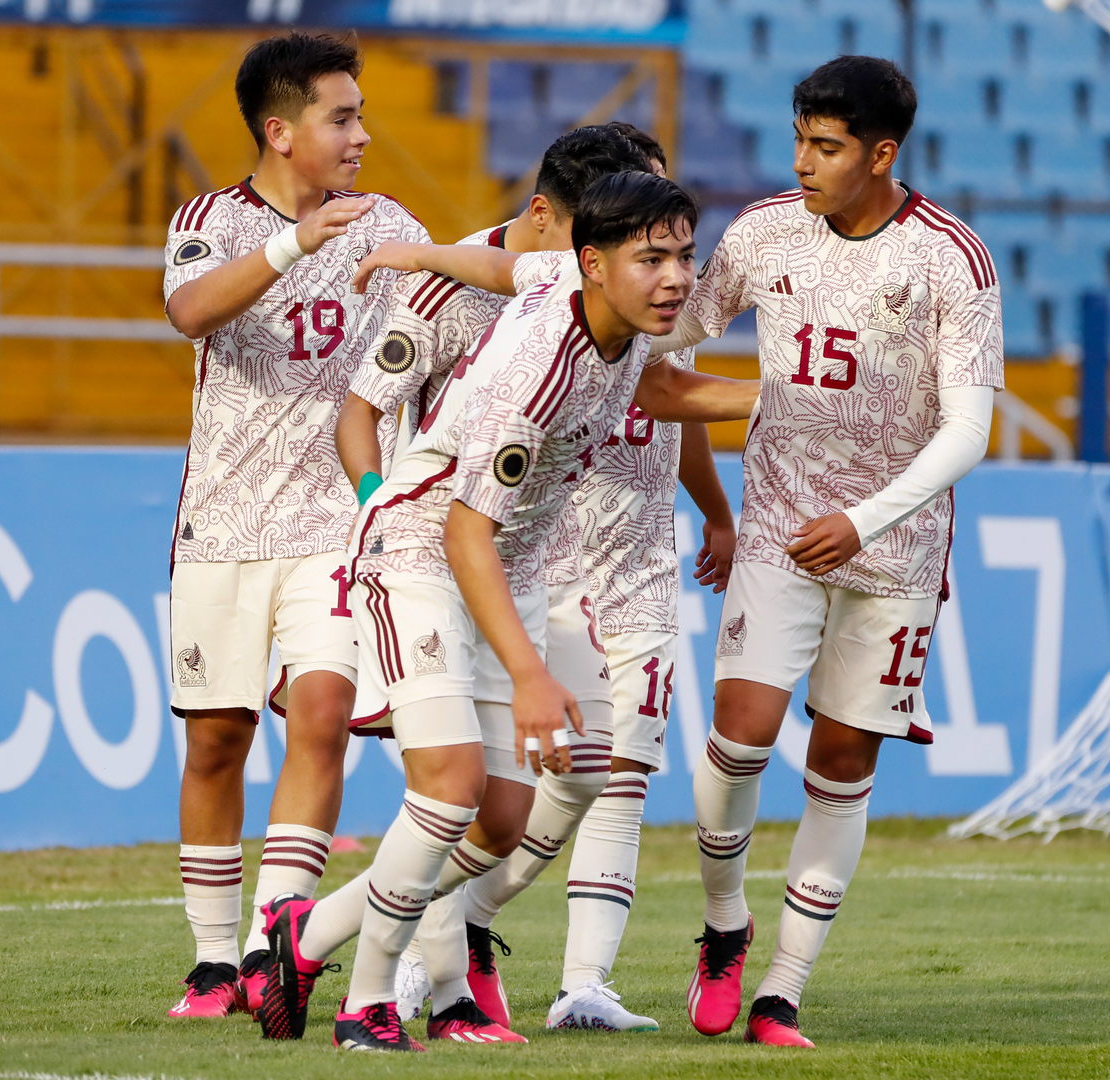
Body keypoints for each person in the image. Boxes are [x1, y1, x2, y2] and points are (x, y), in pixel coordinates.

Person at [256, 171, 760, 1051]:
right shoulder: (540, 377)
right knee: (449, 787)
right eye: (653, 259)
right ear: (596, 263)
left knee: (502, 819)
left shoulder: (580, 293)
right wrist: (530, 674)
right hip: (420, 555)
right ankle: (368, 1003)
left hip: (504, 566)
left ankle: (308, 935)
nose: (677, 277)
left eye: (684, 254)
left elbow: (626, 366)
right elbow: (461, 533)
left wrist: (781, 397)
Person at [653, 55, 1003, 1048]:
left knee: (844, 759)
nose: (802, 161)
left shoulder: (952, 259)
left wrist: (867, 518)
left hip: (894, 552)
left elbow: (969, 431)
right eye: (800, 139)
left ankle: (782, 991)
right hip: (777, 528)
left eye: (827, 146)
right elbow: (674, 333)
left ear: (881, 152)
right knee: (739, 735)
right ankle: (725, 925)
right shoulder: (764, 232)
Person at [331, 125, 662, 1037]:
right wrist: (376, 499)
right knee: (449, 786)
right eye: (627, 230)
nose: (653, 254)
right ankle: (418, 990)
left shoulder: (594, 288)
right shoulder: (458, 296)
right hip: (436, 547)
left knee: (522, 802)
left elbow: (652, 391)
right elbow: (361, 409)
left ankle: (326, 934)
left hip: (530, 551)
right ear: (562, 221)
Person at [432, 123, 741, 1034]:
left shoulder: (658, 299)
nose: (665, 254)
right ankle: (445, 921)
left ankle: (584, 980)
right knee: (551, 777)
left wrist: (715, 510)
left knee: (626, 767)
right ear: (590, 237)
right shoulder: (557, 305)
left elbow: (673, 399)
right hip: (546, 543)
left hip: (641, 550)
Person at [159, 30, 429, 1019]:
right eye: (341, 116)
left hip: (335, 527)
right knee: (218, 740)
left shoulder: (385, 223)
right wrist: (292, 246)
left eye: (359, 115)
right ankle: (211, 962)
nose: (362, 134)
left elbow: (439, 325)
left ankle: (279, 943)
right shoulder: (211, 220)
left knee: (322, 718)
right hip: (223, 526)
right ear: (280, 131)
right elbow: (189, 310)